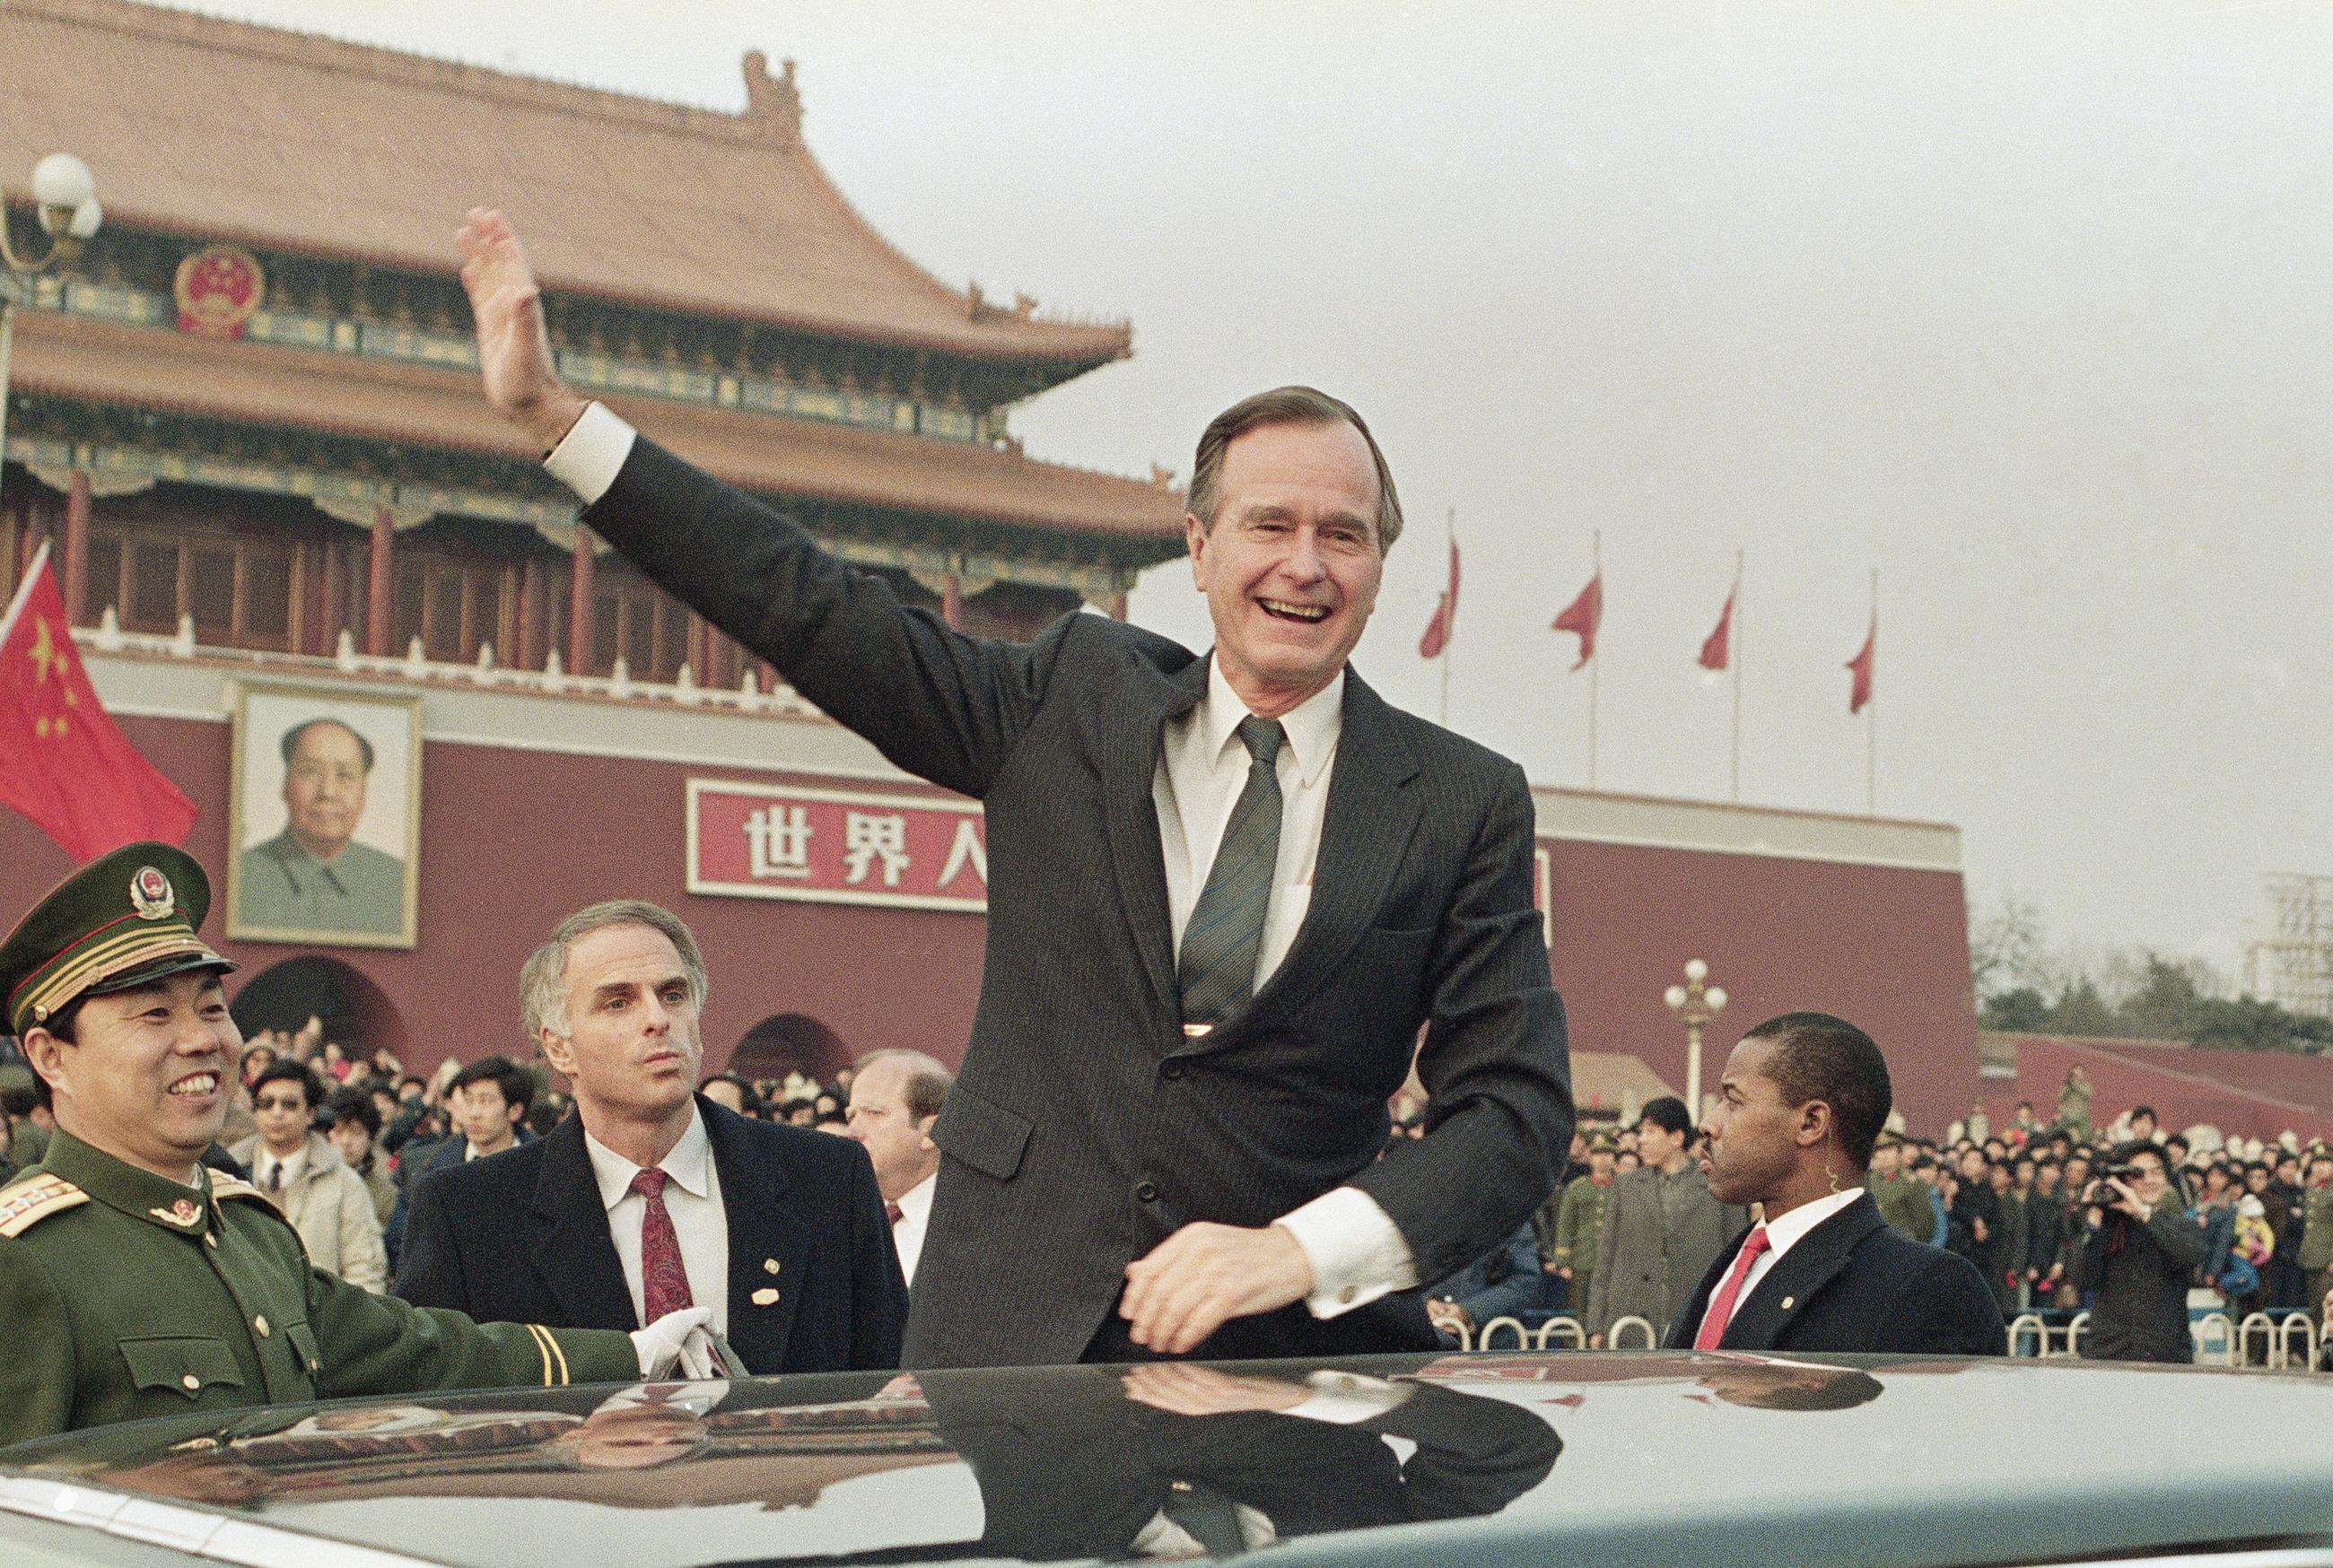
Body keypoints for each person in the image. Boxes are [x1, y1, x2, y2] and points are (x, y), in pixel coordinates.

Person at [457, 210, 1573, 1368]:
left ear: (1379, 569)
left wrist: (1299, 1249)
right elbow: (809, 605)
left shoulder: (1456, 803)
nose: (1304, 564)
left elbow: (1514, 1114)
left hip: (1286, 1358)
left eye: (1342, 535)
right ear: (1198, 549)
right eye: (1269, 525)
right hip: (1009, 1345)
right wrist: (556, 421)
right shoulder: (1072, 699)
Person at [0, 844, 721, 1448]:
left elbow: (423, 1352)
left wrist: (629, 1354)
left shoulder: (249, 1234)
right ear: (50, 1055)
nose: (202, 1041)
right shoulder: (24, 1262)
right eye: (155, 1015)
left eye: (213, 1009)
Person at [397, 902, 907, 1373]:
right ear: (558, 1048)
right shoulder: (467, 1212)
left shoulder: (827, 1177)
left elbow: (891, 1381)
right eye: (618, 1003)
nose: (658, 1020)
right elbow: (435, 1396)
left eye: (673, 995)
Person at [1661, 1013, 2001, 1355]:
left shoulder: (1929, 1290)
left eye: (1733, 1101)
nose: (1708, 1124)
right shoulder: (1737, 1261)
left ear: (1811, 1123)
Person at [1585, 1097, 1743, 1346]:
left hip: (1692, 1322)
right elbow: (1605, 1260)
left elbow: (1737, 1261)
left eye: (1651, 1132)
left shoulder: (1717, 1187)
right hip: (1629, 1323)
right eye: (1641, 1132)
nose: (1641, 1139)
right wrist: (1595, 1325)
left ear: (1676, 1138)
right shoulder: (1626, 1187)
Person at [235, 718, 406, 936]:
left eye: (345, 775)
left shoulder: (398, 882)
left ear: (364, 792)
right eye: (310, 771)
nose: (327, 792)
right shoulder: (242, 874)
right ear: (285, 785)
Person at [228, 1061, 388, 1293]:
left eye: (289, 1104)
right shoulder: (227, 1172)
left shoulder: (344, 1182)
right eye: (266, 1104)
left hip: (319, 1312)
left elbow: (365, 1269)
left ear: (310, 1114)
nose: (277, 1113)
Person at [384, 1054, 533, 1269]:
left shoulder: (545, 1166)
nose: (473, 1113)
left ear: (515, 1110)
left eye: (486, 1101)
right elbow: (400, 1244)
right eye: (469, 1100)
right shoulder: (429, 1167)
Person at [2067, 1141, 2206, 1363]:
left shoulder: (2182, 1226)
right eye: (2138, 1174)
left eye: (2156, 1172)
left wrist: (2144, 1214)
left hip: (2165, 1356)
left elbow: (2190, 1255)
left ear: (2166, 1179)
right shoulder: (2108, 1228)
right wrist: (2093, 1218)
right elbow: (2082, 1277)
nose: (2149, 1180)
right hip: (2108, 1354)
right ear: (2124, 1182)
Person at [843, 1050, 952, 1287]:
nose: (851, 1132)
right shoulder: (840, 1216)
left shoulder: (974, 1222)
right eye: (851, 1116)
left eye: (874, 1113)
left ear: (931, 1131)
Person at [1545, 1133, 1616, 1314]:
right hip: (1582, 1260)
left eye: (1607, 1153)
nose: (1602, 1158)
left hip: (1613, 1261)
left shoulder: (1621, 1189)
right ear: (1590, 1157)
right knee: (1579, 1311)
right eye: (1597, 1154)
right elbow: (1566, 1226)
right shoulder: (1577, 1188)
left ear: (1614, 1157)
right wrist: (1563, 1261)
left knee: (1610, 1310)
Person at [325, 1086, 398, 1228]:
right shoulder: (308, 1182)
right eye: (338, 1132)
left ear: (370, 1139)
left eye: (356, 1132)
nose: (346, 1141)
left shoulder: (386, 1195)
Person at [1866, 1134, 1931, 1241]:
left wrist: (1911, 1240)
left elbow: (1924, 1221)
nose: (1884, 1155)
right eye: (1880, 1150)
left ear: (1899, 1153)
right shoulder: (1868, 1180)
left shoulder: (1911, 1182)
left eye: (1889, 1150)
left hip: (1902, 1242)